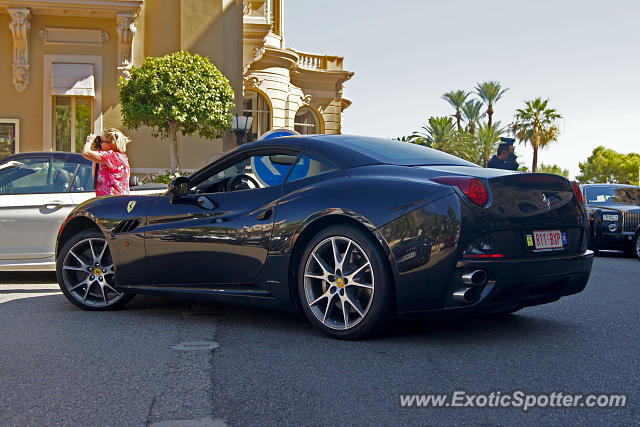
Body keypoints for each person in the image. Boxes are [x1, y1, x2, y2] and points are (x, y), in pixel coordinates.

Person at [81, 128, 131, 196]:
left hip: (111, 201)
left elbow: (85, 153)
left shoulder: (112, 156)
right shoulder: (121, 157)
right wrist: (96, 150)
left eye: (102, 141)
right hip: (119, 200)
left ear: (110, 144)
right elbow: (95, 176)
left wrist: (89, 141)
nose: (100, 143)